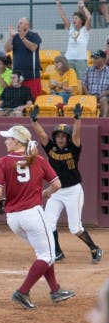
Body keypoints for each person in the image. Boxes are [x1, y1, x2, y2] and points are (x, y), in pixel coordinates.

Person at [0, 124, 75, 310]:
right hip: (32, 214)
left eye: (8, 138)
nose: (6, 141)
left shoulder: (3, 161)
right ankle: (23, 291)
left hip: (13, 218)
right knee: (48, 254)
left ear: (17, 141)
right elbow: (57, 184)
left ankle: (55, 290)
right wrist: (45, 193)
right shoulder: (38, 160)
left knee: (43, 253)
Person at [30, 104, 103, 264]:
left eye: (63, 136)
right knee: (48, 224)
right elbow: (42, 135)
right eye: (58, 136)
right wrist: (34, 121)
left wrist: (77, 119)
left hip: (73, 191)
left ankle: (94, 248)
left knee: (75, 228)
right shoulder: (51, 149)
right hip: (56, 191)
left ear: (68, 138)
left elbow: (76, 134)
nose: (60, 139)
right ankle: (57, 252)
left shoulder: (74, 148)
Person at [4, 17, 42, 100]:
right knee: (19, 100)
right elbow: (6, 49)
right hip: (18, 75)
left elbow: (33, 47)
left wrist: (22, 37)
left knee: (33, 99)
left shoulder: (34, 35)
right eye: (18, 23)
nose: (18, 25)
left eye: (21, 23)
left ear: (27, 25)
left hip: (31, 75)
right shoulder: (15, 37)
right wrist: (11, 37)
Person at [55, 0, 91, 80]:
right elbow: (63, 17)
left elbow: (89, 17)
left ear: (81, 21)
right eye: (73, 18)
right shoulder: (71, 29)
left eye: (76, 18)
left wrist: (83, 7)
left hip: (81, 60)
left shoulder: (84, 30)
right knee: (68, 80)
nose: (73, 20)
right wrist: (59, 5)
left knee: (81, 80)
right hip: (69, 59)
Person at [82, 49, 109, 118]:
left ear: (103, 59)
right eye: (93, 58)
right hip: (90, 95)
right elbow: (84, 84)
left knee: (103, 99)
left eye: (96, 58)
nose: (94, 60)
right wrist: (88, 94)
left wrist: (102, 94)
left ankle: (103, 120)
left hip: (104, 95)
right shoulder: (88, 70)